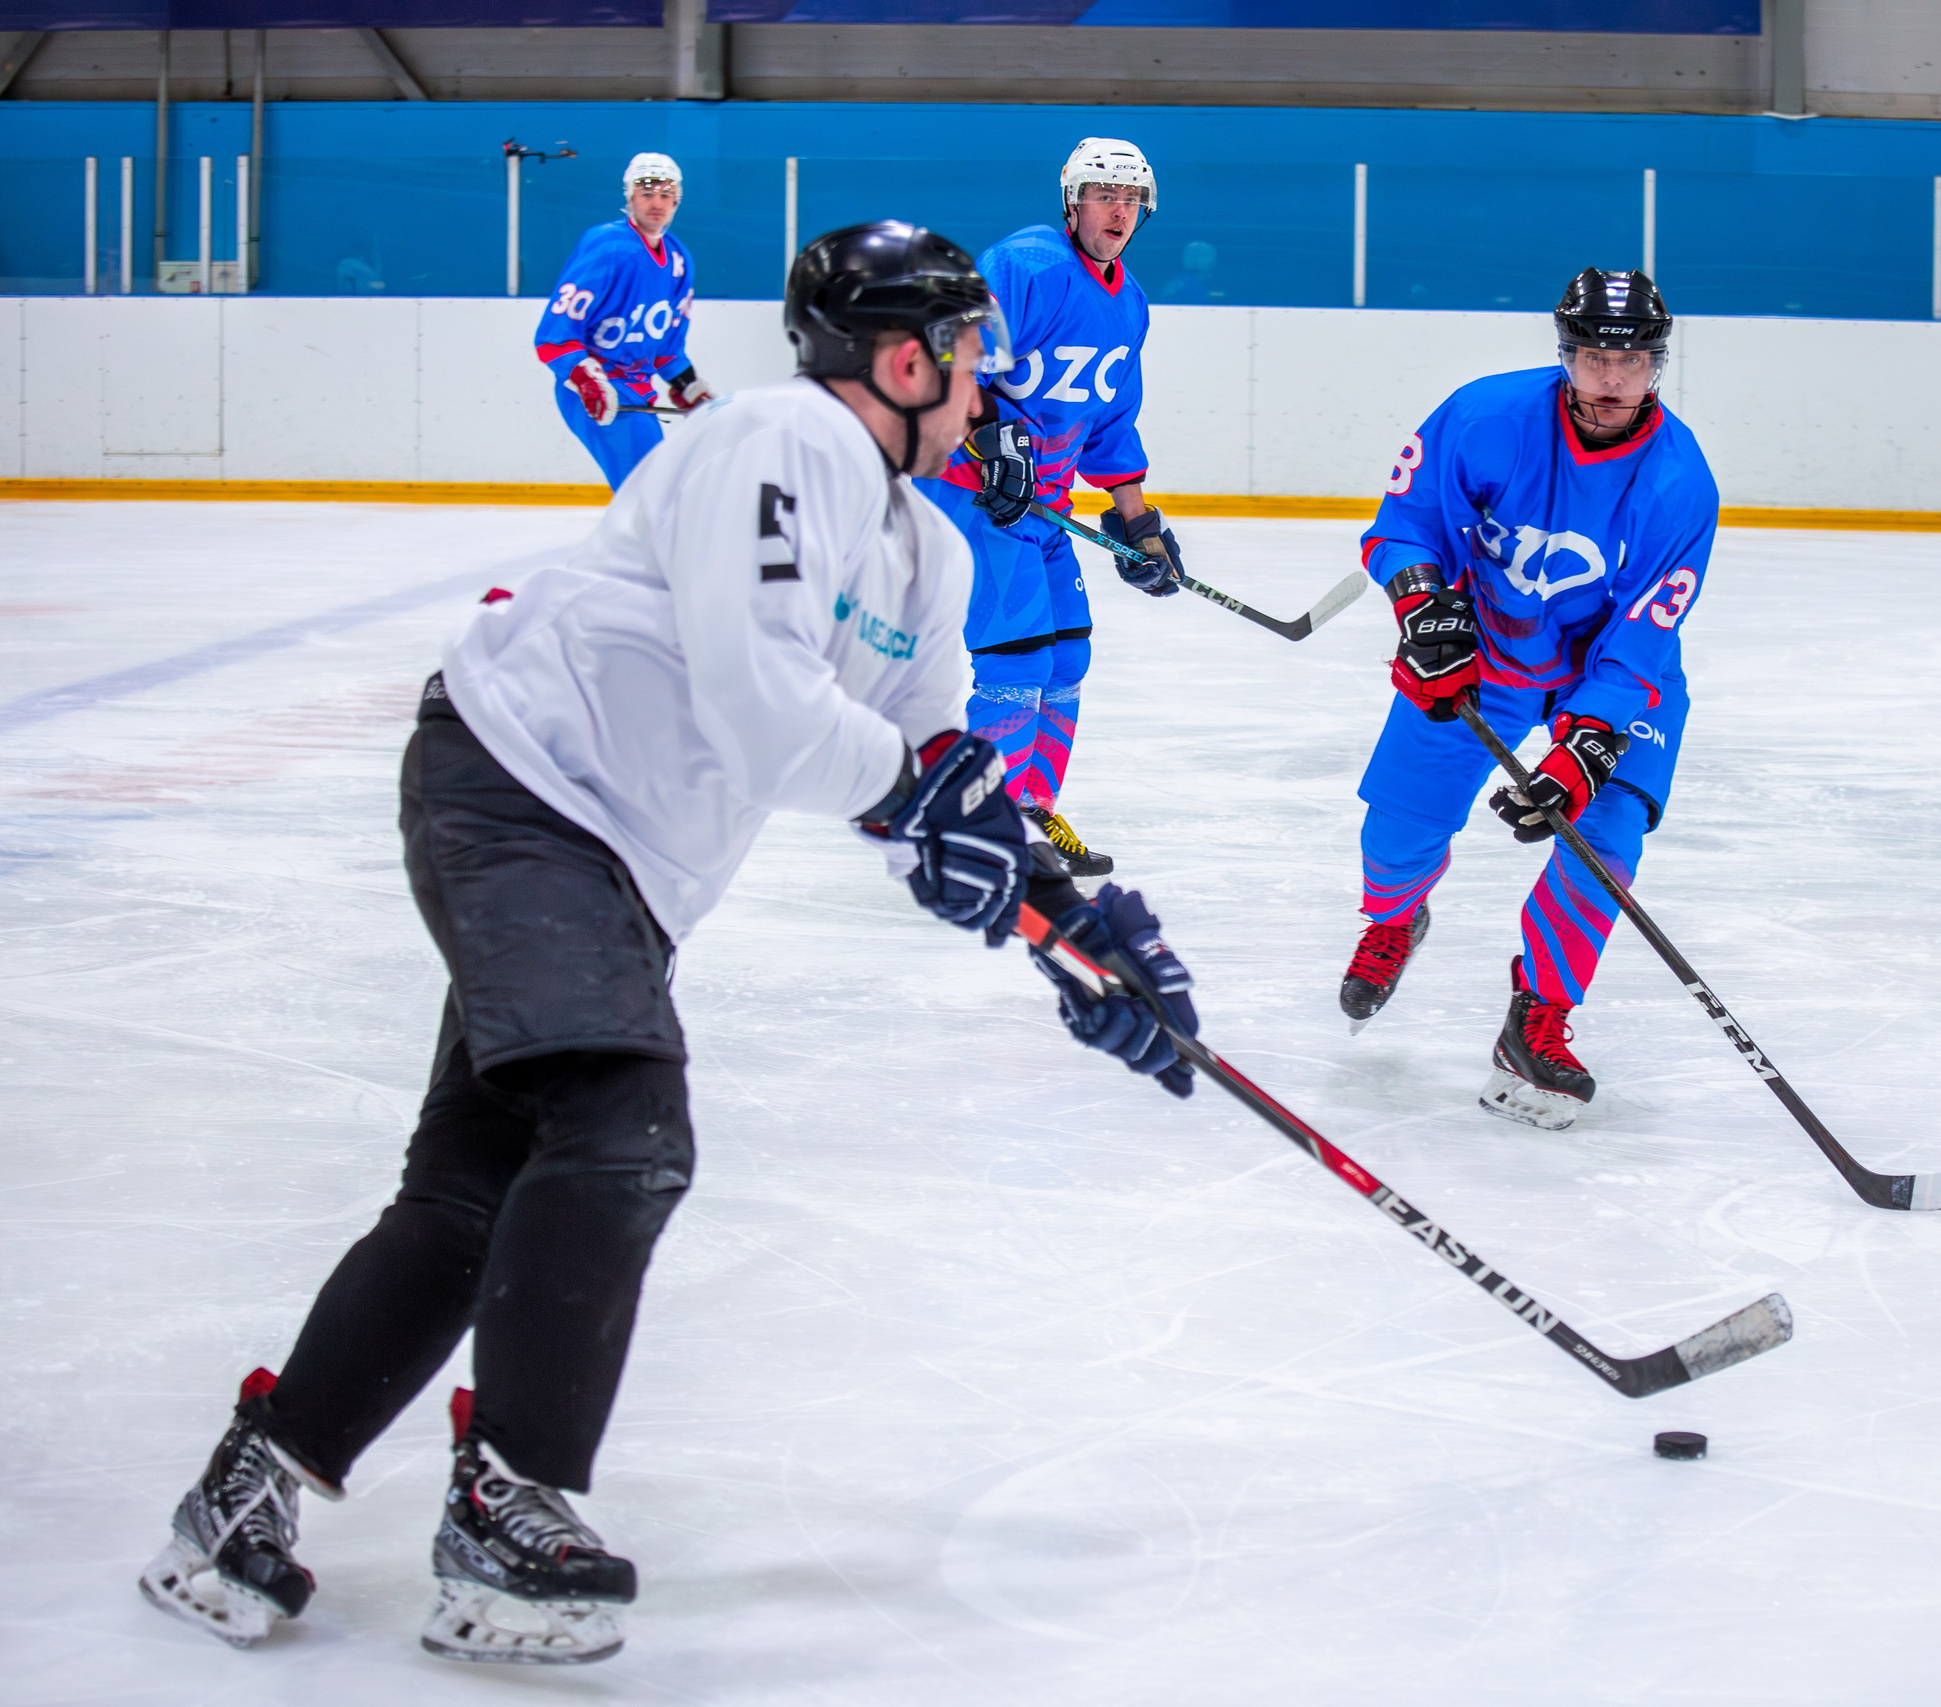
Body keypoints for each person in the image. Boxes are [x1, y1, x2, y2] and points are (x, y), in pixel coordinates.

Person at [136, 221, 1200, 1668]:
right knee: (623, 1127)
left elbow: (936, 776)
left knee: (472, 1190)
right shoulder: (780, 442)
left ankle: (242, 1489)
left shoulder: (927, 557)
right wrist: (922, 799)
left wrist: (1071, 923)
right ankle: (511, 1496)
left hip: (613, 862)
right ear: (902, 359)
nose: (981, 391)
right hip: (519, 784)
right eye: (967, 362)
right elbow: (772, 706)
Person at [1336, 269, 1717, 1133]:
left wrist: (1590, 745)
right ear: (1566, 356)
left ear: (1657, 365)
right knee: (1397, 825)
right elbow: (1403, 525)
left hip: (1614, 671)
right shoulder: (1485, 417)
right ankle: (1396, 918)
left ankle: (1537, 1016)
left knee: (1604, 834)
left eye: (1631, 360)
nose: (1611, 378)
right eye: (1592, 356)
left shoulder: (1679, 482)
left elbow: (1645, 631)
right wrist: (1420, 596)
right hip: (1488, 649)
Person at [918, 136, 1183, 878]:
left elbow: (1109, 423)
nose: (1119, 210)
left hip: (1045, 502)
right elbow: (951, 352)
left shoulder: (1128, 304)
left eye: (1131, 199)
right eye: (1105, 195)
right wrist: (984, 433)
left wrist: (1137, 522)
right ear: (1073, 203)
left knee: (1068, 656)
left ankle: (1028, 813)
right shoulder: (1027, 265)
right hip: (971, 490)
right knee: (1016, 661)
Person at [533, 151, 715, 491]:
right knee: (650, 491)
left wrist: (686, 384)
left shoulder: (679, 259)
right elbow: (554, 337)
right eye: (646, 194)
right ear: (630, 197)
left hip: (636, 392)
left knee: (651, 491)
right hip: (595, 388)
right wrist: (587, 378)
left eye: (666, 195)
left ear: (677, 201)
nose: (656, 203)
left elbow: (666, 348)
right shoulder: (608, 245)